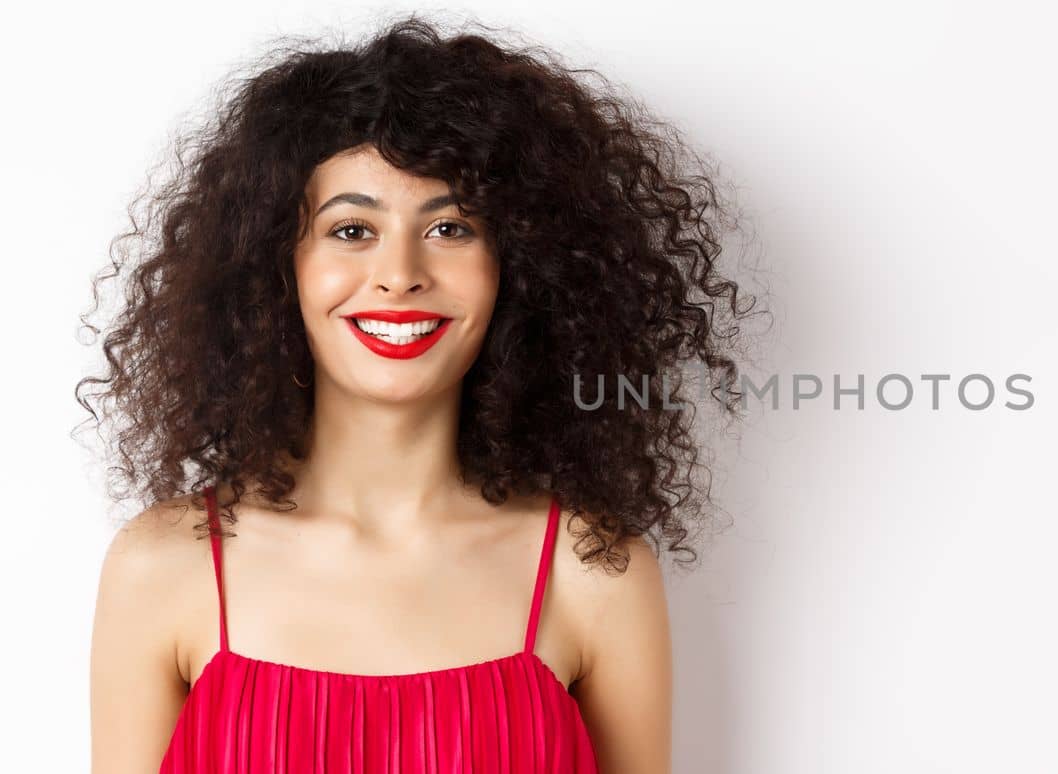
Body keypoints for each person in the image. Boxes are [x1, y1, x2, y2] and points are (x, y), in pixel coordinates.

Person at [80, 14, 760, 773]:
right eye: (350, 231)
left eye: (451, 229)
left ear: (521, 268)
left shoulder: (595, 570)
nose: (400, 273)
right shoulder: (164, 566)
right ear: (278, 267)